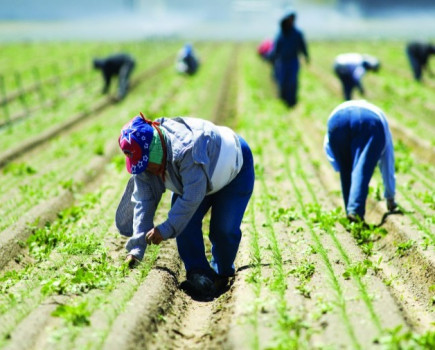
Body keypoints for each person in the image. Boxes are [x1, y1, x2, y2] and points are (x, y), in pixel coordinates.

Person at [115, 113, 255, 300]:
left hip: (234, 169)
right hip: (196, 178)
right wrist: (136, 248)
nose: (145, 169)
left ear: (156, 151)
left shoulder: (187, 150)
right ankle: (198, 272)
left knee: (223, 230)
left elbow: (191, 199)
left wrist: (165, 229)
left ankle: (221, 273)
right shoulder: (146, 164)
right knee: (186, 226)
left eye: (146, 163)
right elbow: (144, 201)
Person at [324, 100, 398, 222]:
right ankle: (355, 211)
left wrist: (338, 165)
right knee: (362, 167)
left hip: (336, 118)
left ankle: (351, 214)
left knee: (346, 170)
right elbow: (387, 163)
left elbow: (327, 145)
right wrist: (390, 196)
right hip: (370, 121)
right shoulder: (384, 129)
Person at [268, 9, 309, 107]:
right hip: (282, 62)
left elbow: (303, 46)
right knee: (282, 81)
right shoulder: (280, 34)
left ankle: (292, 101)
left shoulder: (297, 33)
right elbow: (276, 48)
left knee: (292, 82)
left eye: (292, 19)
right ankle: (283, 100)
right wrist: (271, 58)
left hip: (293, 60)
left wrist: (306, 56)